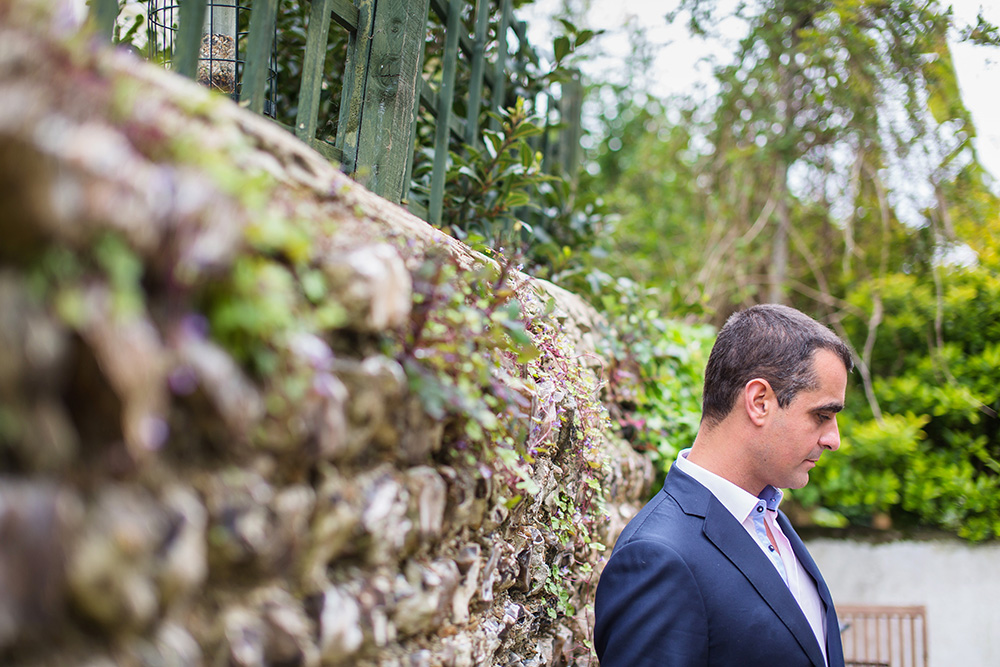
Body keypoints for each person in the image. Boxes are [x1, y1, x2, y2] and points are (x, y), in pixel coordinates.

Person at [594, 304, 852, 667]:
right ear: (759, 402)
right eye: (822, 416)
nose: (833, 440)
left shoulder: (768, 519)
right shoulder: (657, 557)